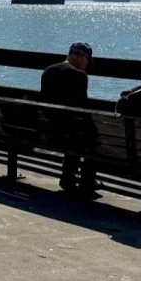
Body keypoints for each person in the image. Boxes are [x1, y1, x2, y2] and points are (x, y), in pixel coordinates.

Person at [40, 42, 99, 198]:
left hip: (47, 133)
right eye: (88, 60)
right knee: (91, 136)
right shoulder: (79, 76)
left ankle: (68, 177)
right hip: (67, 135)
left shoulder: (48, 71)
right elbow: (83, 111)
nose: (87, 65)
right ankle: (87, 183)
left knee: (73, 130)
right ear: (80, 57)